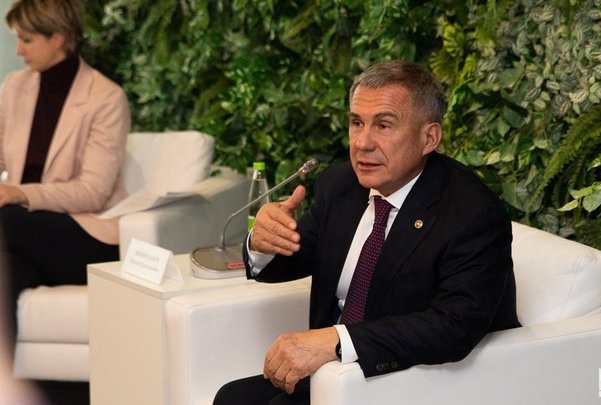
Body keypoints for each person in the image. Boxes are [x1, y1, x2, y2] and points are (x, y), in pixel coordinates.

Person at [214, 60, 520, 405]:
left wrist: (335, 340)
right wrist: (264, 243)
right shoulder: (342, 185)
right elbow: (296, 254)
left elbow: (454, 326)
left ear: (429, 138)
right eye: (356, 122)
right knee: (232, 398)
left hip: (417, 377)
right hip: (337, 372)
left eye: (383, 125)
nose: (362, 143)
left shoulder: (471, 213)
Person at [0, 0, 131, 336]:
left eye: (27, 40)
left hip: (85, 234)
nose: (18, 50)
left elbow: (93, 192)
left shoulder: (106, 98)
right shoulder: (14, 87)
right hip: (24, 234)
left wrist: (19, 193)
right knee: (9, 270)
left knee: (8, 219)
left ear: (57, 38)